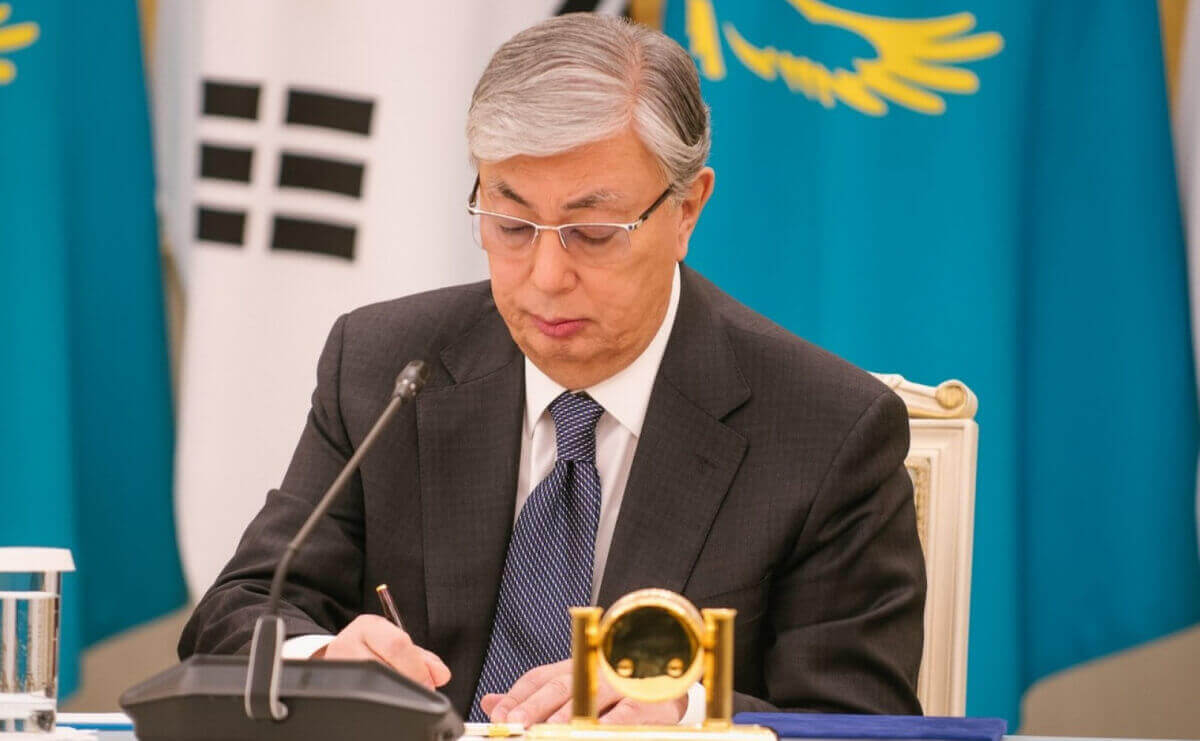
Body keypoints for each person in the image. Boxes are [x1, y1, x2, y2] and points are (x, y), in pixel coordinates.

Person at [179, 12, 925, 725]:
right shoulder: (389, 366)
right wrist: (322, 659)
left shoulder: (824, 430)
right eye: (510, 225)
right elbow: (239, 611)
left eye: (592, 232)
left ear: (687, 209)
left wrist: (687, 713)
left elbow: (864, 722)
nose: (544, 278)